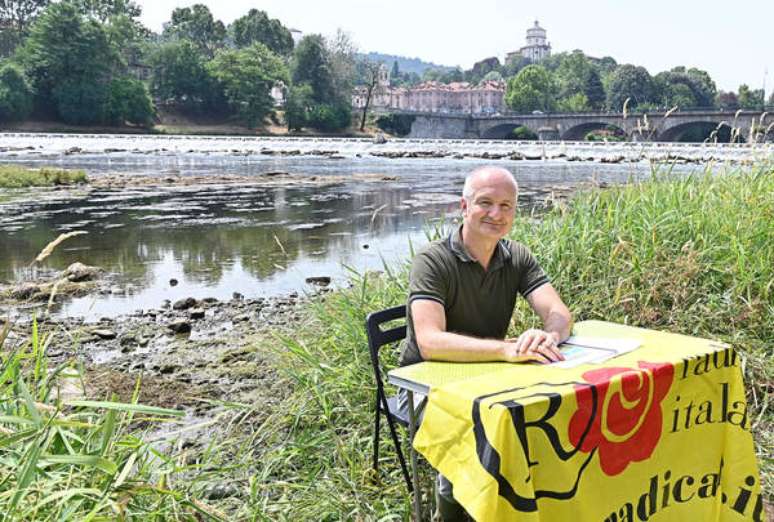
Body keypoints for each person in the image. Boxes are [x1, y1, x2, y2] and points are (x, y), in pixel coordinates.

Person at [398, 166, 573, 521]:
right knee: (471, 443)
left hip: (489, 378)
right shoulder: (433, 260)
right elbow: (430, 342)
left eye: (506, 206)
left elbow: (559, 313)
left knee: (552, 416)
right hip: (424, 385)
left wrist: (548, 335)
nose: (496, 214)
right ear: (464, 206)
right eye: (486, 203)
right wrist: (506, 350)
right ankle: (450, 513)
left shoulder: (516, 256)